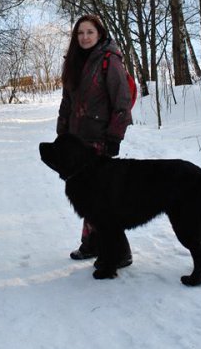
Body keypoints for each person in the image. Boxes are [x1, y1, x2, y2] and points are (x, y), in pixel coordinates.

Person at [56, 14, 133, 267]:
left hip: (100, 137)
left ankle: (115, 250)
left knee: (100, 200)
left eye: (89, 32)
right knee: (89, 197)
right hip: (78, 139)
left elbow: (121, 101)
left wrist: (115, 136)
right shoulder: (74, 61)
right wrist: (62, 133)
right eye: (80, 33)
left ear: (99, 34)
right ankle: (94, 244)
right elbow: (67, 101)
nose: (85, 37)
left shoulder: (110, 60)